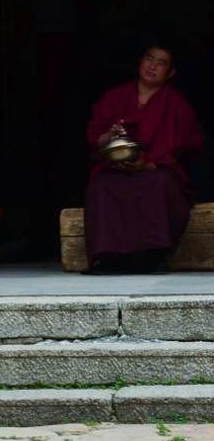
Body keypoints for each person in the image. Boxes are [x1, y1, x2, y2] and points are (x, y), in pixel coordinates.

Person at [84, 44, 202, 273]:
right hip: (116, 166)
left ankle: (152, 256)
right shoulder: (115, 96)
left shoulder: (177, 104)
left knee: (160, 183)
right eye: (149, 58)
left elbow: (187, 144)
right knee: (100, 185)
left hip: (155, 169)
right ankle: (107, 257)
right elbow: (94, 133)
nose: (153, 66)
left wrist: (148, 164)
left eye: (161, 62)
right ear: (140, 63)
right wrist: (109, 136)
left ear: (171, 73)